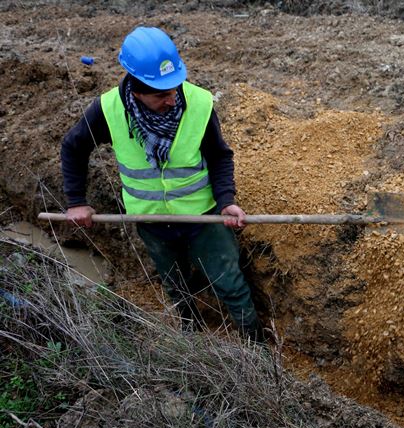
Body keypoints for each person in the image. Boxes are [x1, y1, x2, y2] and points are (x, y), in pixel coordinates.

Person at [60, 26, 264, 342]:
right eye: (161, 95)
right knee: (175, 284)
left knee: (229, 283)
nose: (172, 99)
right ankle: (191, 333)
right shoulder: (109, 110)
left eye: (174, 89)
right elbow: (73, 147)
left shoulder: (198, 104)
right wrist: (76, 201)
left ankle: (257, 346)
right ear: (137, 91)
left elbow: (219, 156)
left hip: (203, 217)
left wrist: (226, 200)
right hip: (151, 221)